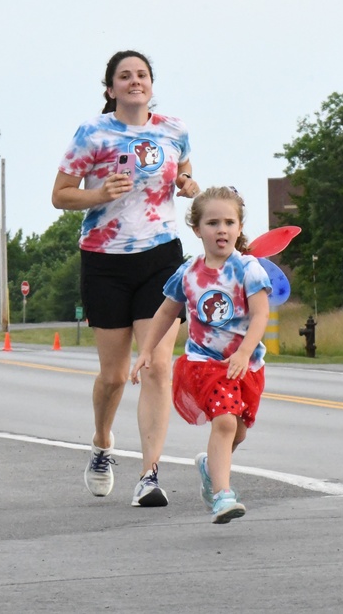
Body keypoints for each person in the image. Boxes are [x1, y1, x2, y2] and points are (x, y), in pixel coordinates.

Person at [51, 50, 200, 507]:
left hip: (160, 256)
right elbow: (60, 195)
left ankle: (149, 476)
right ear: (111, 88)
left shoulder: (174, 129)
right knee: (114, 376)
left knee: (156, 366)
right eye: (125, 76)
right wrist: (97, 193)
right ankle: (101, 443)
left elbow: (185, 170)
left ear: (151, 85)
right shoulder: (91, 133)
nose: (135, 81)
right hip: (105, 260)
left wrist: (188, 184)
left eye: (142, 75)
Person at [131, 186, 271, 524]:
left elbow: (260, 315)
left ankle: (210, 468)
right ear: (197, 229)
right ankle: (222, 496)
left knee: (237, 431)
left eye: (228, 222)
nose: (221, 229)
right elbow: (166, 312)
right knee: (223, 423)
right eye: (212, 223)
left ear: (239, 227)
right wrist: (146, 350)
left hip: (244, 364)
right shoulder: (188, 272)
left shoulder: (248, 269)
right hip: (204, 364)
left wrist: (244, 353)